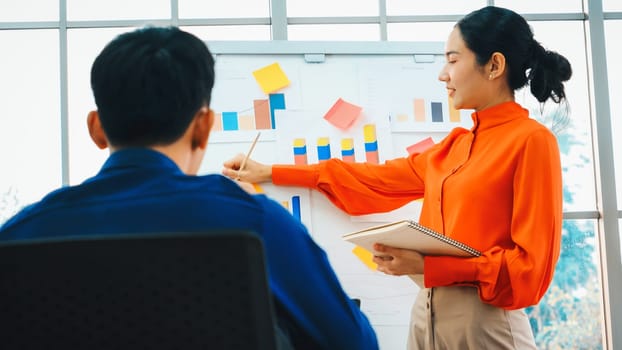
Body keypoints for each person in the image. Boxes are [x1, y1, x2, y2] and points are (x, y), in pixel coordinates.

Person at [0, 26, 379, 350]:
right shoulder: (255, 223)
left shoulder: (20, 235)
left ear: (96, 127)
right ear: (203, 126)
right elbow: (353, 343)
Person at [223, 6, 571, 349]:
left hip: (485, 325)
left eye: (452, 60)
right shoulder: (454, 147)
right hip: (425, 317)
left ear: (494, 65)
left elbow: (530, 270)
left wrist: (431, 266)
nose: (443, 75)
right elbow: (373, 180)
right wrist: (269, 172)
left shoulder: (531, 141)